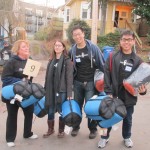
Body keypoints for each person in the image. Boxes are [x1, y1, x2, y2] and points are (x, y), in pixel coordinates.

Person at [98, 30, 147, 148]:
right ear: (120, 41)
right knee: (106, 117)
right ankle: (103, 137)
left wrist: (143, 91)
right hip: (112, 95)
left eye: (129, 40)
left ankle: (127, 137)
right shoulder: (111, 57)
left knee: (128, 119)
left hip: (128, 97)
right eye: (124, 39)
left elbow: (142, 82)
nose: (127, 42)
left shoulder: (138, 61)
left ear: (133, 41)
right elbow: (107, 75)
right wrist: (108, 92)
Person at [69, 25, 105, 139]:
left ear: (83, 34)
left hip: (90, 82)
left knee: (90, 107)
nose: (77, 36)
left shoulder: (93, 48)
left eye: (79, 34)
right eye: (75, 35)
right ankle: (76, 127)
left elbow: (102, 63)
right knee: (77, 106)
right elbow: (69, 67)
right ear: (73, 37)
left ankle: (92, 129)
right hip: (77, 83)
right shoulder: (72, 50)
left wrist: (107, 81)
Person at [1, 40, 38, 147]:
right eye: (24, 47)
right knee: (12, 115)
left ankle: (27, 133)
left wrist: (28, 81)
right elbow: (5, 78)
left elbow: (30, 77)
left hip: (26, 93)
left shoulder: (30, 60)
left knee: (29, 112)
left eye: (27, 46)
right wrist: (20, 81)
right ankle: (10, 138)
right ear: (18, 50)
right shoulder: (11, 62)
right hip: (12, 93)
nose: (27, 48)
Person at [43, 40, 73, 138]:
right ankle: (50, 129)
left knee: (61, 110)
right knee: (51, 109)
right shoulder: (51, 60)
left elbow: (69, 78)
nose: (57, 47)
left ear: (63, 48)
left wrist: (69, 93)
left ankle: (61, 130)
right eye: (56, 45)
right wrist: (45, 88)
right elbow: (47, 76)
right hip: (51, 89)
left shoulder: (67, 60)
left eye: (59, 46)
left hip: (62, 90)